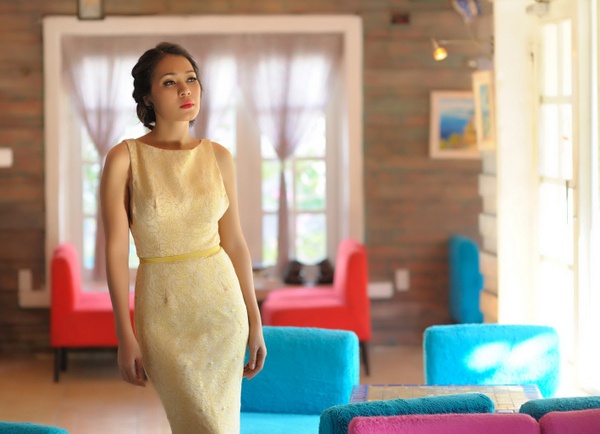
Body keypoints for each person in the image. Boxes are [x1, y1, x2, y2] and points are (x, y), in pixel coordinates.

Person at [100, 42, 266, 433]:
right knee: (200, 422)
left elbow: (235, 242)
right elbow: (115, 250)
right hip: (162, 313)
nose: (185, 90)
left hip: (223, 312)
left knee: (219, 425)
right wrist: (124, 333)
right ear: (148, 97)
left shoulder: (219, 157)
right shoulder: (124, 158)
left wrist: (255, 320)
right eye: (169, 82)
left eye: (191, 79)